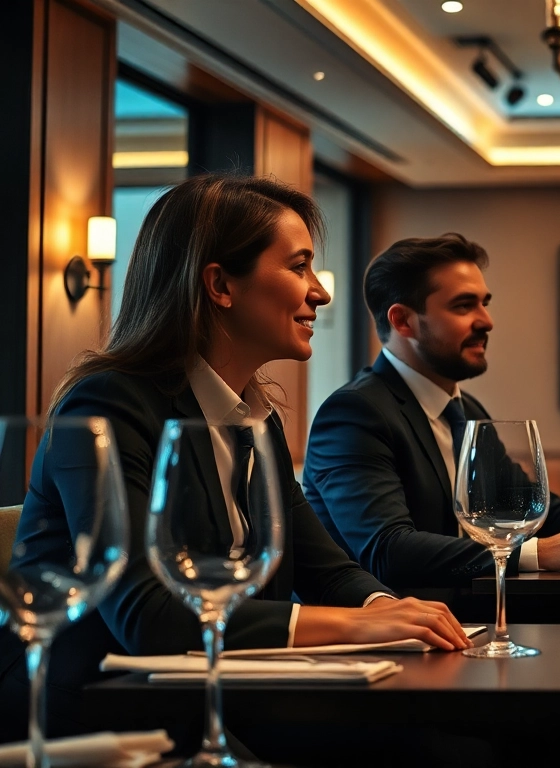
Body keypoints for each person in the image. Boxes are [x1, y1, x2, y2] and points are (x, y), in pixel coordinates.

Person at [0, 175, 470, 741]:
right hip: (96, 720)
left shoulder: (256, 417)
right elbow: (146, 616)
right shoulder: (109, 402)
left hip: (221, 698)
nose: (320, 293)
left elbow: (326, 569)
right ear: (220, 285)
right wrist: (357, 623)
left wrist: (392, 611)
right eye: (298, 268)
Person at [303, 234, 560, 592]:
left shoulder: (465, 410)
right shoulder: (354, 414)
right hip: (383, 632)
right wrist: (536, 553)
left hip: (465, 616)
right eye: (464, 306)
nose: (487, 321)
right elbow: (388, 551)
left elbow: (526, 500)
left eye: (484, 303)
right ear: (403, 321)